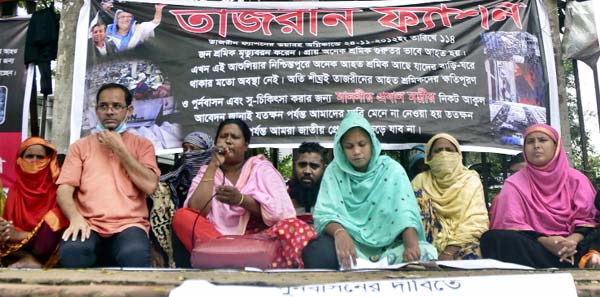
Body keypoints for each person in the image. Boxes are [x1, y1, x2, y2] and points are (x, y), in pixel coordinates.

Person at [172, 119, 316, 269]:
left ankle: (228, 260)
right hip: (216, 238)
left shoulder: (261, 169)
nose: (228, 141)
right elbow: (195, 210)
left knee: (293, 225)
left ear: (246, 145)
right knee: (182, 216)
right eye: (223, 136)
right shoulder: (207, 171)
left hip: (258, 240)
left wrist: (241, 200)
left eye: (234, 137)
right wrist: (213, 165)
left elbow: (282, 212)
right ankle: (229, 256)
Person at [302, 112, 437, 270]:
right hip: (350, 245)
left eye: (362, 144)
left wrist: (411, 246)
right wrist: (339, 233)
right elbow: (326, 213)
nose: (357, 151)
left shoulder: (391, 170)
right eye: (349, 146)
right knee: (317, 253)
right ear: (341, 149)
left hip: (390, 247)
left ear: (372, 143)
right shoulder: (334, 172)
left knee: (427, 253)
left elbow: (404, 211)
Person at [56, 83, 160, 268]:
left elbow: (150, 186)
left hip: (130, 224)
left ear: (129, 110)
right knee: (73, 250)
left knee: (134, 254)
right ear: (96, 110)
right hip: (88, 223)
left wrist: (120, 149)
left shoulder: (143, 145)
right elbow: (64, 190)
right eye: (103, 106)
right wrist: (75, 217)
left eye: (116, 106)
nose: (109, 111)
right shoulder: (80, 146)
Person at [481, 124, 598, 268]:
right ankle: (571, 264)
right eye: (530, 142)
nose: (536, 146)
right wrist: (546, 241)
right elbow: (512, 224)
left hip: (575, 246)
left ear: (556, 146)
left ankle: (581, 260)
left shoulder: (577, 179)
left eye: (542, 140)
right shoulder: (514, 183)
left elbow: (587, 219)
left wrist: (571, 241)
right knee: (492, 239)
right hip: (536, 245)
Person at [411, 133, 489, 260]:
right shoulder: (420, 181)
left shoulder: (470, 180)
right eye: (438, 150)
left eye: (449, 150)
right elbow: (409, 217)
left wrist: (449, 251)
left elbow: (476, 220)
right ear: (429, 157)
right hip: (424, 245)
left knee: (472, 259)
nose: (444, 154)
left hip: (463, 244)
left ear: (458, 155)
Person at [149, 131, 214, 267]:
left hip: (209, 243)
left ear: (208, 151)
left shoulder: (218, 179)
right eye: (185, 149)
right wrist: (154, 250)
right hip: (175, 250)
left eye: (194, 149)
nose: (188, 154)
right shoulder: (173, 182)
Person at [0, 137, 67, 268]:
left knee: (53, 223)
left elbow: (58, 228)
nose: (35, 161)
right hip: (19, 247)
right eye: (29, 156)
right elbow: (9, 227)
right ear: (19, 160)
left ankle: (34, 260)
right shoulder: (15, 190)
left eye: (40, 157)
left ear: (49, 160)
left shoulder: (59, 188)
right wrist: (5, 230)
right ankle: (28, 259)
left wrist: (21, 236)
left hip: (49, 247)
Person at [287, 142, 327, 224]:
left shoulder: (332, 199)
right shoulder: (282, 197)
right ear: (295, 166)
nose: (307, 171)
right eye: (302, 165)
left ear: (323, 169)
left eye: (314, 166)